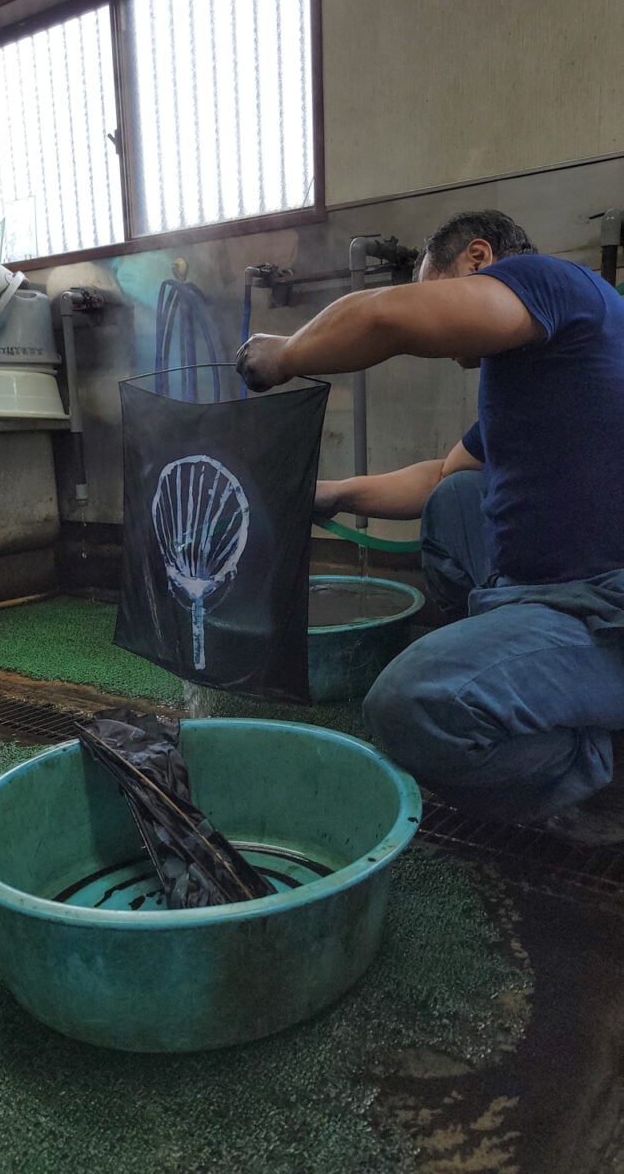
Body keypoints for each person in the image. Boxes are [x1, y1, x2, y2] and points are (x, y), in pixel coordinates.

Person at [236, 209, 624, 841]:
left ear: (478, 260)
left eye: (429, 284)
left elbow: (383, 316)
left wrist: (285, 355)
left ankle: (594, 770)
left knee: (409, 706)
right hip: (543, 592)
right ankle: (513, 675)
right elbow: (440, 477)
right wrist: (326, 496)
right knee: (457, 498)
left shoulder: (554, 283)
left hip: (606, 609)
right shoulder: (535, 369)